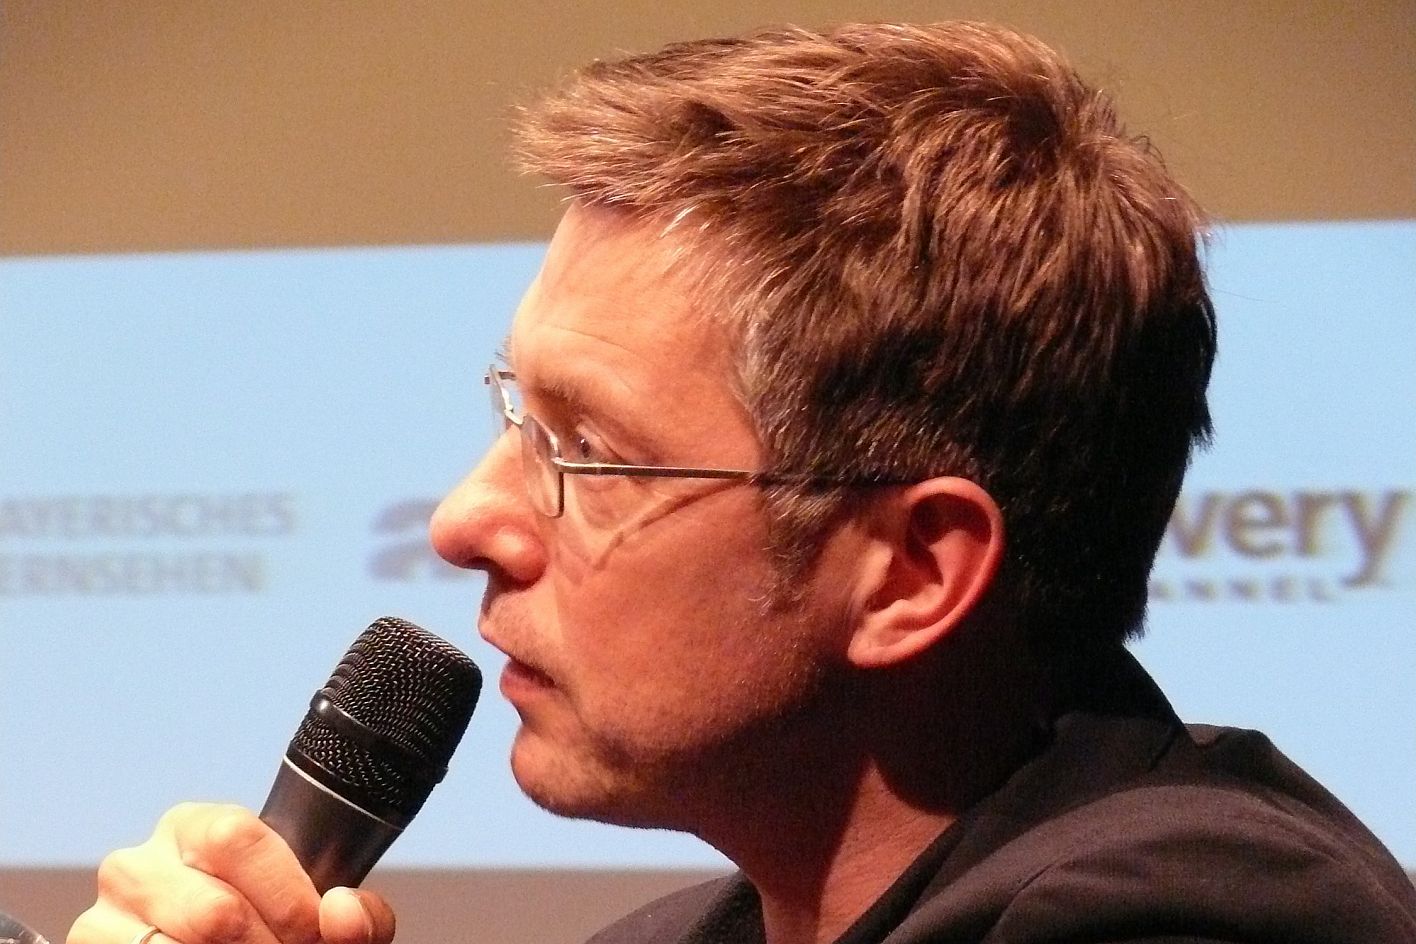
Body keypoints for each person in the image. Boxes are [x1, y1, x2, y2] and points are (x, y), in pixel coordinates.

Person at [69, 21, 1416, 944]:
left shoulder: (1186, 913)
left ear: (911, 573)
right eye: (516, 414)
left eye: (589, 450)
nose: (465, 520)